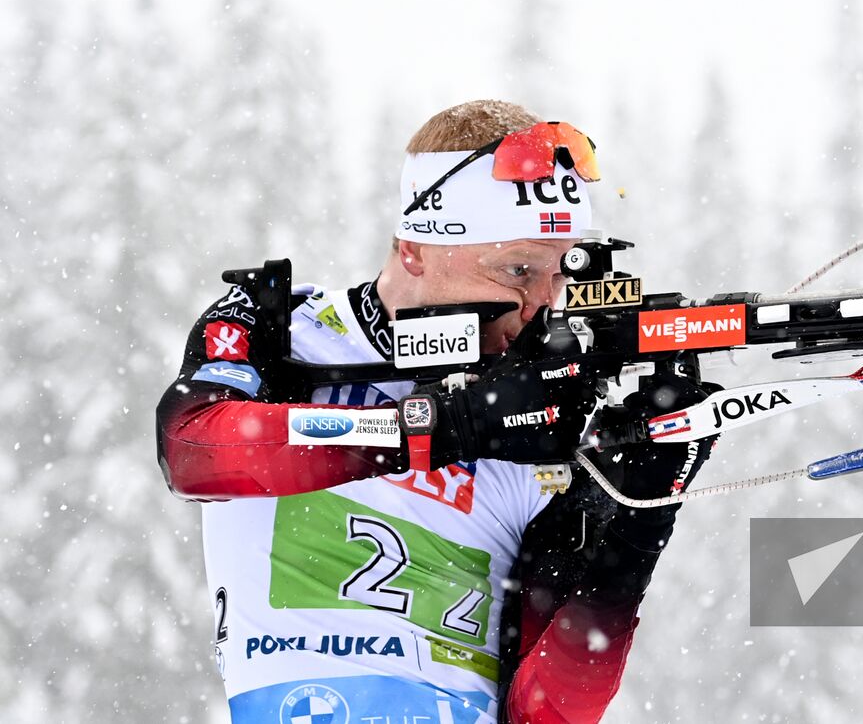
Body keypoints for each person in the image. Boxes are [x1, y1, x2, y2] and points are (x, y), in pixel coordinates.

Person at [156, 100, 715, 724]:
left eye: (560, 276)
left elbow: (545, 713)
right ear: (415, 249)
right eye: (517, 269)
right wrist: (448, 423)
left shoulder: (550, 427)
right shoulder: (284, 331)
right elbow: (194, 452)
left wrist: (639, 523)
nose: (539, 304)